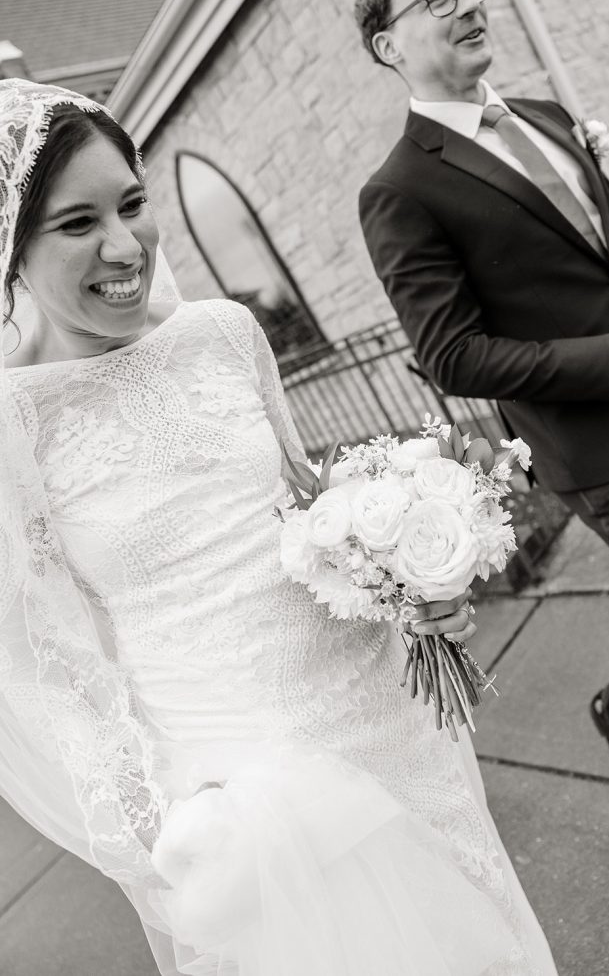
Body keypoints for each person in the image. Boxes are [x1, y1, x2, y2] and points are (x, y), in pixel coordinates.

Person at [0, 79, 558, 975]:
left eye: (134, 204)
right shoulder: (12, 424)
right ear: (11, 250)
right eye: (76, 223)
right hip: (244, 796)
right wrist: (157, 820)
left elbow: (308, 510)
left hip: (386, 715)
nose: (123, 245)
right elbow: (40, 668)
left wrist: (414, 589)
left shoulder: (223, 333)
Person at [356, 0, 609, 831]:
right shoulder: (400, 190)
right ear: (388, 45)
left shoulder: (544, 115)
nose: (469, 1)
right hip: (598, 445)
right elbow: (452, 354)